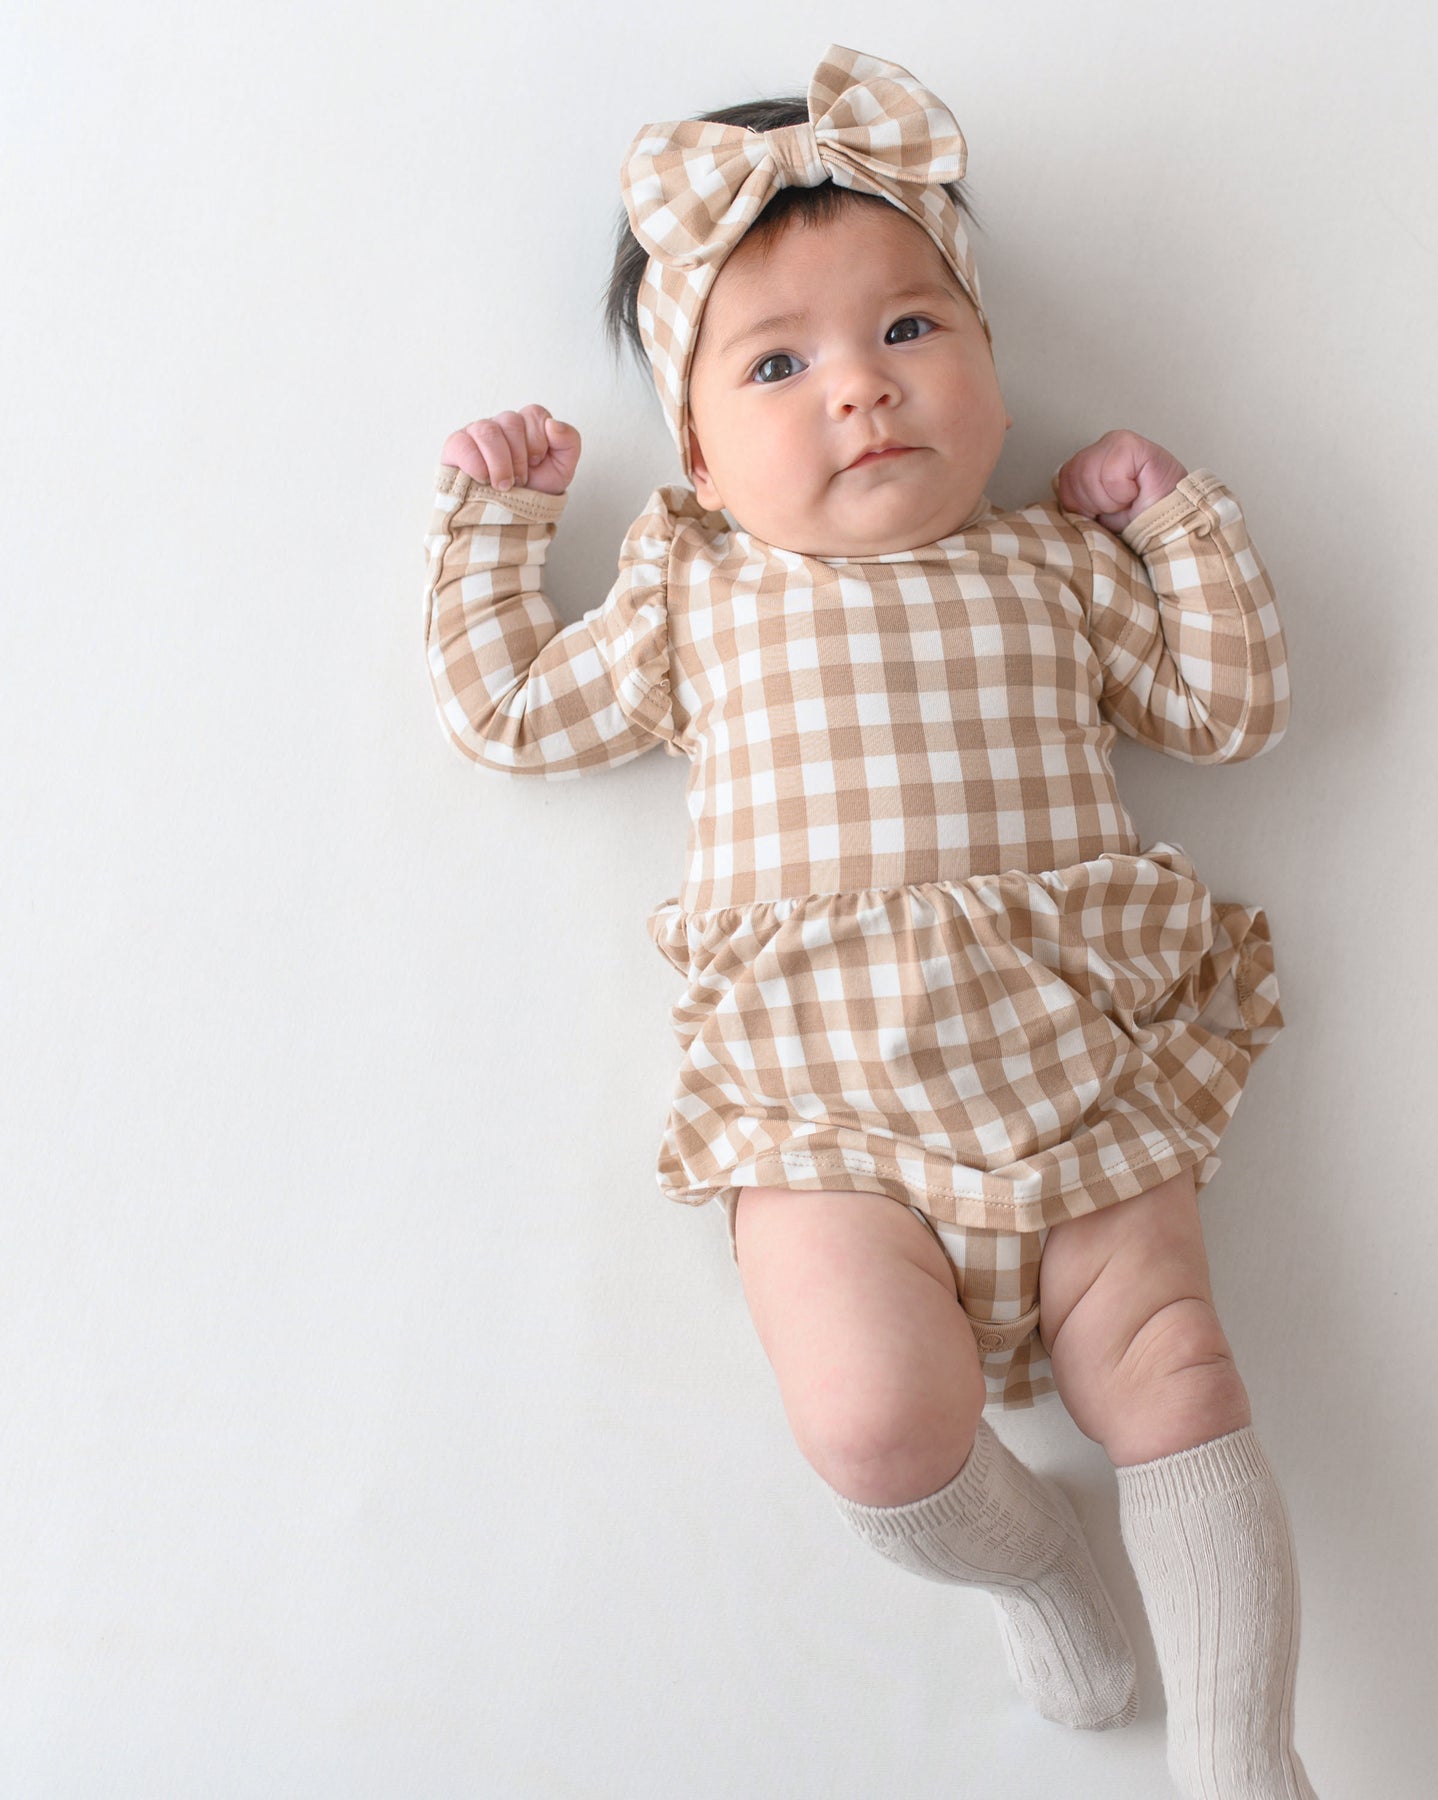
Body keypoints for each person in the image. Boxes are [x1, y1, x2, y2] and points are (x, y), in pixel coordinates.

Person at [421, 44, 1317, 1799]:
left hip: (1072, 1055)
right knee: (874, 1435)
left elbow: (1230, 712)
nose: (862, 392)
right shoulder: (696, 585)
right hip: (818, 1102)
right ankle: (1039, 1562)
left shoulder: (1053, 570)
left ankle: (1242, 1761)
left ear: (986, 356)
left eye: (910, 330)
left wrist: (1174, 524)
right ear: (693, 442)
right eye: (779, 363)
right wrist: (501, 522)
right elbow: (512, 718)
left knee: (1182, 1377)